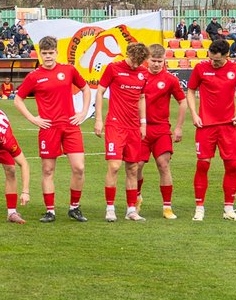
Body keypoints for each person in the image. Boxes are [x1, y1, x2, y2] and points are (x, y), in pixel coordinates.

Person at [13, 35, 92, 223]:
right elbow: (18, 99)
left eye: (51, 53)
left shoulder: (68, 70)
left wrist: (83, 112)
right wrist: (33, 118)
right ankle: (50, 211)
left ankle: (74, 208)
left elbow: (86, 89)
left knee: (79, 167)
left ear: (56, 52)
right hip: (49, 128)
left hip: (70, 126)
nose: (48, 56)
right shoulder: (34, 76)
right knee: (48, 170)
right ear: (40, 54)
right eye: (44, 53)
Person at [186, 39, 236, 221]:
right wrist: (194, 114)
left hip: (228, 125)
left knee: (232, 165)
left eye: (218, 60)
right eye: (211, 59)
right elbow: (190, 91)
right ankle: (199, 208)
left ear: (227, 56)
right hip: (205, 125)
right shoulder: (200, 68)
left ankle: (229, 209)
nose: (214, 62)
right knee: (203, 164)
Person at [95, 42, 151, 222]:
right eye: (133, 60)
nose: (135, 65)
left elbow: (141, 97)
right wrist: (98, 119)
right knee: (114, 166)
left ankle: (131, 210)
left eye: (139, 62)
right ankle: (110, 208)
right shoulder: (113, 68)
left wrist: (143, 123)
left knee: (133, 168)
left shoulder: (143, 73)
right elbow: (100, 91)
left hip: (133, 126)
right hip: (115, 125)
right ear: (128, 55)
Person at [141, 44, 187, 219]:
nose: (156, 64)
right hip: (141, 128)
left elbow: (182, 102)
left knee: (163, 165)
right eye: (153, 60)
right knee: (136, 166)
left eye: (160, 61)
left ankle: (167, 207)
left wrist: (179, 127)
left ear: (164, 60)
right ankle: (136, 198)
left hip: (161, 129)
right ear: (147, 59)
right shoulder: (140, 76)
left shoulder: (170, 79)